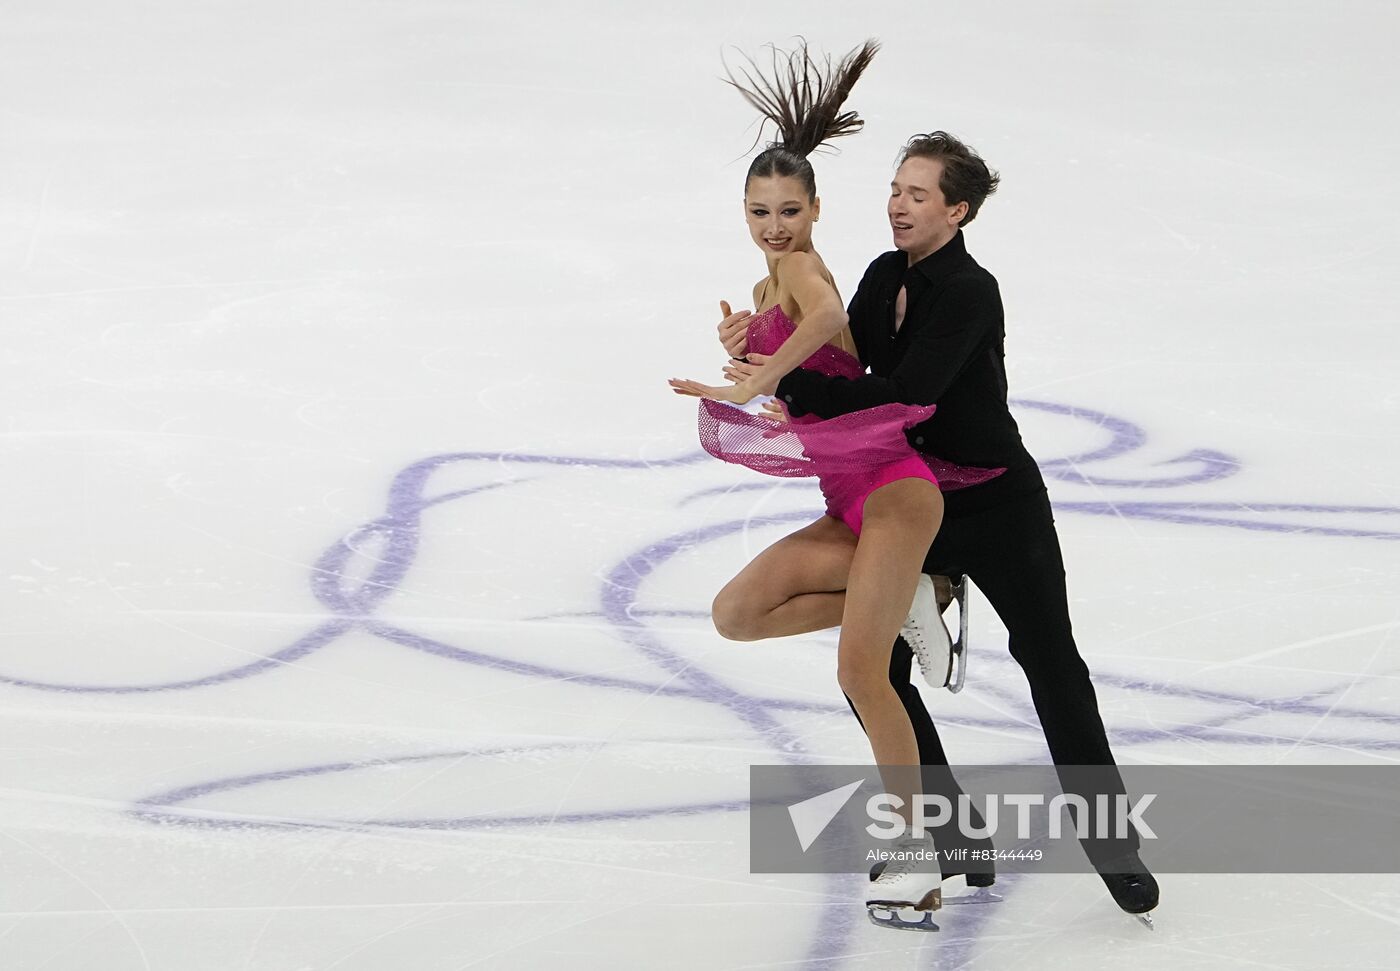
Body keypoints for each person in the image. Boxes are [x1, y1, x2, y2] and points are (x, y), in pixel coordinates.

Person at [719, 131, 1161, 925]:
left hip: (994, 505)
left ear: (956, 211)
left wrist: (781, 377)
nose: (898, 204)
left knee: (1051, 661)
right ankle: (952, 832)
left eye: (918, 195)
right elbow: (845, 372)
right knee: (876, 669)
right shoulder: (883, 273)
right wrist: (768, 354)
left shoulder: (969, 290)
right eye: (895, 189)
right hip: (908, 500)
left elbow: (907, 392)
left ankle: (1113, 843)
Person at [668, 41, 1002, 930]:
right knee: (737, 613)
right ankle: (913, 596)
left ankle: (914, 859)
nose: (774, 226)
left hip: (895, 490)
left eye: (788, 210)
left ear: (816, 209)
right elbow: (793, 349)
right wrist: (745, 346)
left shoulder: (812, 270)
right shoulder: (766, 274)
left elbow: (823, 320)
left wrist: (753, 374)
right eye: (758, 211)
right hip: (842, 500)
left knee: (864, 670)